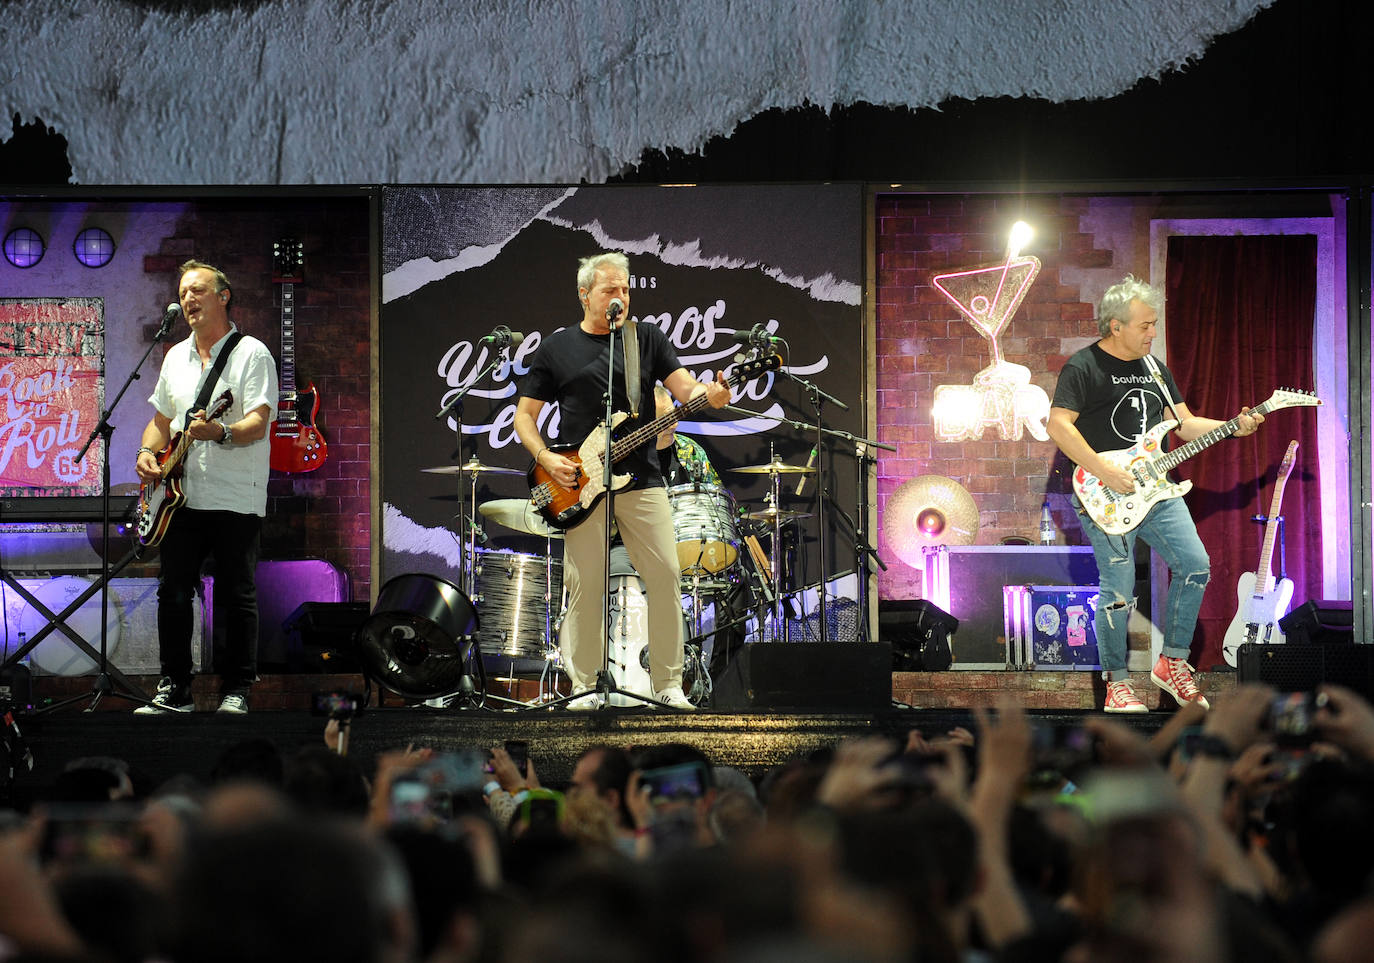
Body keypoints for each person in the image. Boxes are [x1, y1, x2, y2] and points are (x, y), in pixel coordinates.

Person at [514, 252, 730, 710]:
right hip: (578, 481)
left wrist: (707, 395)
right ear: (585, 294)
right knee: (584, 583)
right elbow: (524, 418)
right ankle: (587, 685)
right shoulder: (557, 349)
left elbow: (684, 387)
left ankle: (668, 685)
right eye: (611, 290)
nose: (621, 298)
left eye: (626, 290)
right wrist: (546, 457)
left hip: (643, 477)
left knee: (666, 575)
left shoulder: (645, 339)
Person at [1047, 275, 1262, 713]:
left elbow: (1183, 424)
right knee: (1119, 588)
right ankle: (1117, 684)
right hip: (1103, 490)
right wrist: (1104, 468)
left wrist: (1232, 427)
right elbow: (1058, 425)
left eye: (1154, 323)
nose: (1153, 332)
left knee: (1195, 564)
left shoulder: (1154, 368)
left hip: (1156, 488)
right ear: (1115, 326)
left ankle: (1172, 663)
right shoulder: (1083, 367)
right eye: (1145, 324)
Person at [134, 260, 277, 714]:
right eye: (183, 292)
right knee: (173, 590)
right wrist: (145, 453)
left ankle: (237, 688)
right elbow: (162, 420)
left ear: (223, 296)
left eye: (198, 290)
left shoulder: (251, 353)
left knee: (238, 593)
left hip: (235, 495)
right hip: (181, 498)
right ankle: (175, 687)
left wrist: (224, 433)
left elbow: (258, 418)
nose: (188, 299)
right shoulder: (174, 355)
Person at [652, 384, 751, 682]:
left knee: (736, 581)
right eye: (664, 417)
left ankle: (718, 681)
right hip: (647, 552)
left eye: (674, 414)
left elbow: (715, 497)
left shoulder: (689, 450)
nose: (674, 422)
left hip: (690, 548)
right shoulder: (630, 459)